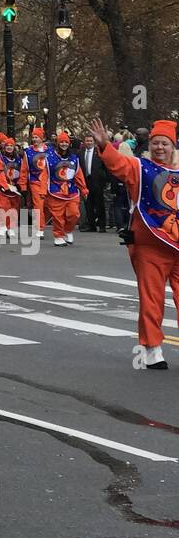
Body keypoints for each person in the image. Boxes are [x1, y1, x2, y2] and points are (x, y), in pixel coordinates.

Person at [91, 116, 179, 370]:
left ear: (172, 146)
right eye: (156, 143)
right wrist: (105, 145)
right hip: (150, 244)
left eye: (165, 143)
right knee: (151, 299)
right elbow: (118, 165)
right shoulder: (140, 167)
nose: (160, 147)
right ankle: (152, 348)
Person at [45, 130, 88, 246]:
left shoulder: (74, 158)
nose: (64, 144)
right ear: (58, 143)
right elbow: (44, 175)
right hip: (55, 190)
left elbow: (78, 175)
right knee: (58, 216)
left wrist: (83, 189)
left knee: (74, 214)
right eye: (61, 142)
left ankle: (68, 230)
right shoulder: (49, 158)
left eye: (66, 142)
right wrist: (42, 190)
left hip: (72, 191)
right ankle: (58, 236)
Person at [80, 133, 107, 232]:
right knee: (88, 204)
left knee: (99, 204)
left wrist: (105, 179)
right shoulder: (81, 152)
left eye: (91, 141)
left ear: (94, 142)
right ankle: (91, 225)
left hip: (97, 182)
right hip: (85, 182)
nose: (89, 143)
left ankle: (102, 225)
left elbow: (105, 166)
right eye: (87, 141)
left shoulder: (98, 152)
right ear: (84, 142)